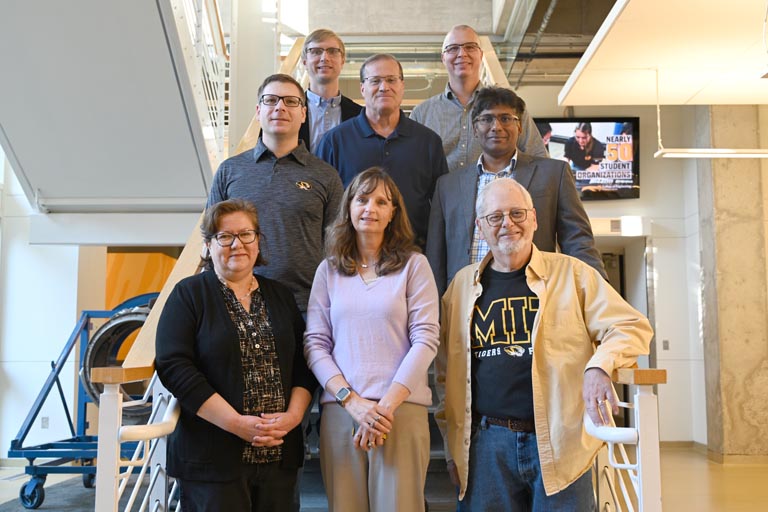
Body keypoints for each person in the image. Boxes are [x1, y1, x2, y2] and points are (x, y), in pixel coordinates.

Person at [435, 178, 653, 511]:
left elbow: (631, 326)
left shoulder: (574, 275)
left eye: (517, 213)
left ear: (534, 219)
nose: (508, 223)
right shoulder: (461, 288)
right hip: (485, 448)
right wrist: (453, 450)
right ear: (481, 227)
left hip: (560, 444)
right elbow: (443, 373)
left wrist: (600, 364)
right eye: (495, 217)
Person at [155, 199, 317, 511]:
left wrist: (293, 418)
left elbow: (303, 364)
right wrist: (236, 423)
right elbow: (174, 366)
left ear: (258, 241)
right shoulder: (188, 295)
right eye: (225, 236)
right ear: (207, 246)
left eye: (246, 234)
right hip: (212, 461)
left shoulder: (280, 295)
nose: (237, 244)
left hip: (279, 456)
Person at [304, 167, 440, 511]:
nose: (371, 208)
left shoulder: (414, 266)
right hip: (341, 412)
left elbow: (426, 338)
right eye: (362, 199)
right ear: (348, 207)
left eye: (382, 201)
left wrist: (383, 408)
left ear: (393, 212)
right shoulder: (329, 270)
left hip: (400, 413)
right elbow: (315, 344)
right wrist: (352, 402)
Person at [426, 86, 606, 297]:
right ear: (475, 129)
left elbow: (578, 241)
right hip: (465, 300)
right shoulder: (447, 186)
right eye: (486, 119)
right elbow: (435, 258)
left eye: (505, 118)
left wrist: (600, 292)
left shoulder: (553, 174)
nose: (496, 126)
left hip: (533, 297)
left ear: (520, 127)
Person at [208, 73, 343, 314]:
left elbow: (338, 248)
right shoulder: (230, 170)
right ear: (259, 111)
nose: (280, 107)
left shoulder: (326, 175)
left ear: (303, 114)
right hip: (238, 305)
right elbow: (211, 240)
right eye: (271, 100)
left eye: (290, 101)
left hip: (307, 307)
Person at [316, 53, 448, 249]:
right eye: (375, 81)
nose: (384, 87)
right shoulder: (334, 141)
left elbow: (441, 209)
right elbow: (321, 209)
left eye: (391, 80)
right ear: (362, 88)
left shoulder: (428, 142)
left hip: (412, 256)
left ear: (402, 86)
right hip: (350, 257)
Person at [410, 24, 548, 173]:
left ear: (481, 55)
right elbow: (411, 169)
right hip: (441, 196)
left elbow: (539, 161)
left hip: (498, 194)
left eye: (470, 47)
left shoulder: (510, 108)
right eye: (453, 48)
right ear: (443, 58)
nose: (462, 53)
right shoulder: (421, 114)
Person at [299, 28, 363, 153]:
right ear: (305, 62)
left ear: (342, 60)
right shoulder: (288, 112)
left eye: (332, 51)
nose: (324, 58)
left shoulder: (361, 116)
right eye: (316, 51)